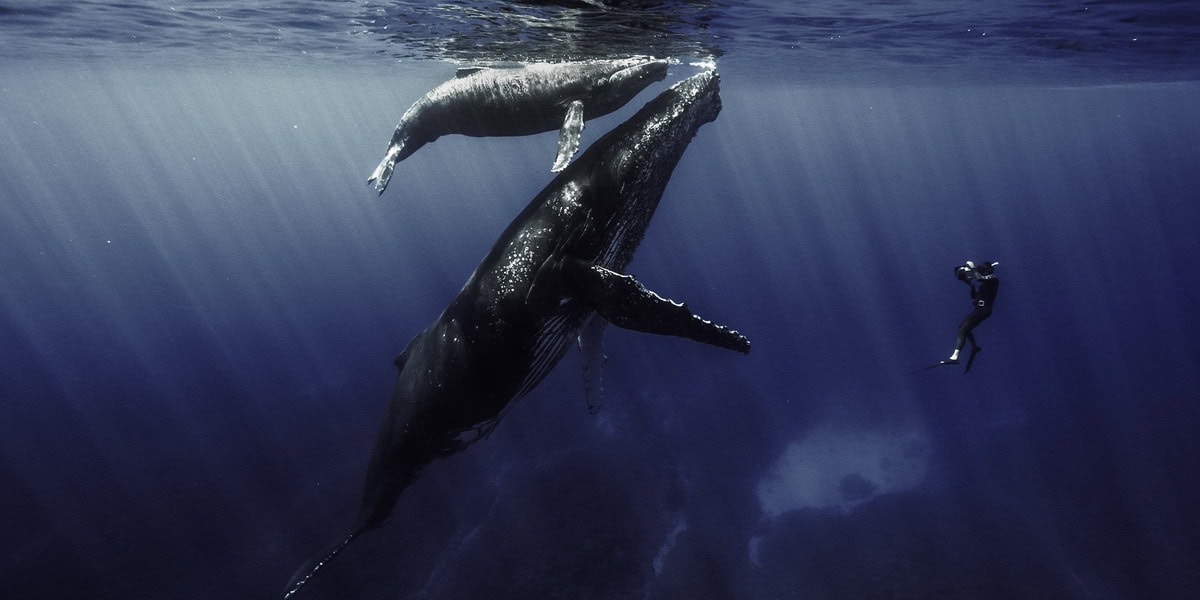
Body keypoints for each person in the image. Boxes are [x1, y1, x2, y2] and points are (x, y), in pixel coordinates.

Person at [930, 260, 999, 373]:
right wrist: (971, 285)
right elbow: (974, 296)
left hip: (984, 310)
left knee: (962, 330)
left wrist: (972, 268)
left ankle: (955, 358)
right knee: (963, 328)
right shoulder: (985, 284)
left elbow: (979, 278)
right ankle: (974, 347)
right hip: (980, 309)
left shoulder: (993, 279)